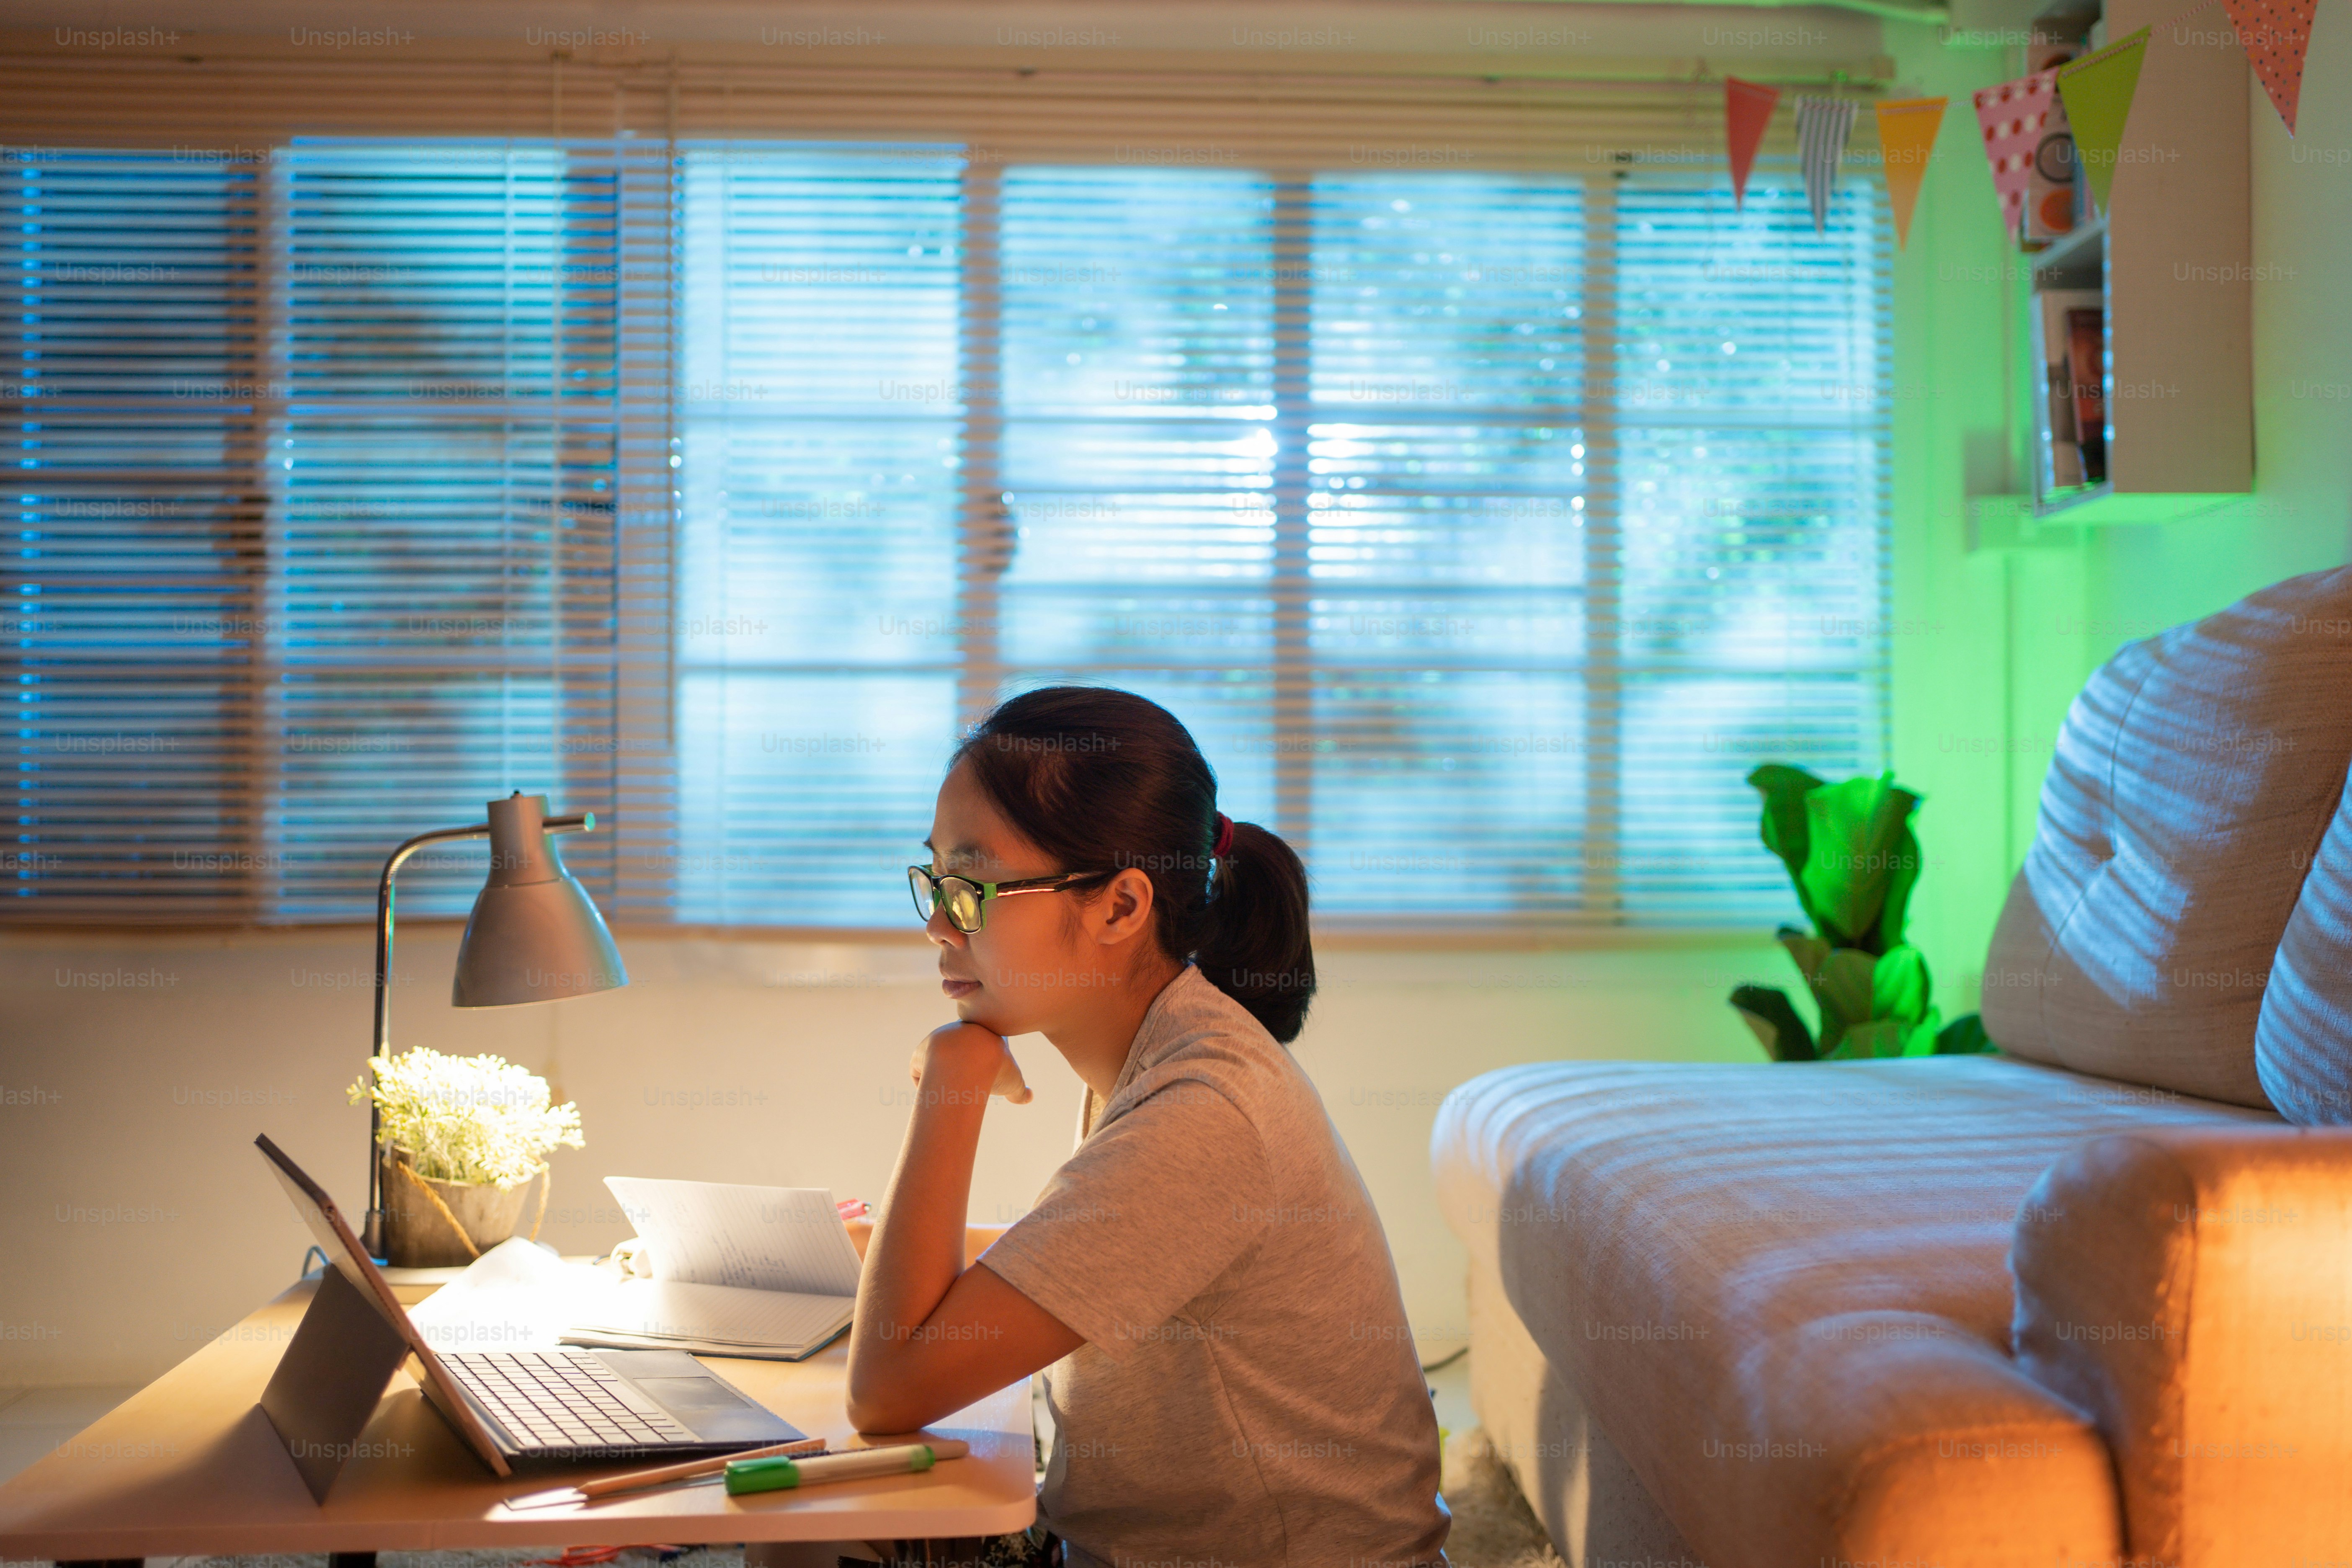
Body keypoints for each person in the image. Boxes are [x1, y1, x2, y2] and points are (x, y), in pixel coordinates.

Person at [843, 685, 1449, 1568]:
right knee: (823, 1529)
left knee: (829, 1530)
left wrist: (954, 1080)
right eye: (934, 880)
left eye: (970, 886)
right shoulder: (1159, 1046)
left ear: (1121, 908)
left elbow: (888, 1392)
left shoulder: (1203, 1113)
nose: (938, 923)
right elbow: (1120, 1258)